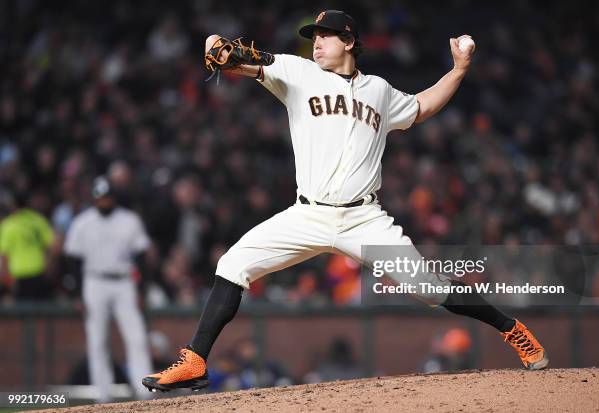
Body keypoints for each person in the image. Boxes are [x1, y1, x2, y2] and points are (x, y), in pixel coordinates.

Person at [143, 10, 548, 392]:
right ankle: (195, 361)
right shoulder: (298, 72)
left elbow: (422, 106)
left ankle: (511, 328)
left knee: (430, 288)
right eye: (314, 37)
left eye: (324, 36)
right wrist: (220, 46)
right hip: (308, 214)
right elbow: (236, 57)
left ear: (349, 41)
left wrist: (459, 70)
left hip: (365, 219)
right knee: (232, 265)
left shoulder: (379, 90)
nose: (316, 44)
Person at [64, 176, 153, 403]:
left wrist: (141, 289)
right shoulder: (83, 222)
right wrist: (76, 293)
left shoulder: (129, 220)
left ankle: (143, 390)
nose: (104, 201)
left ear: (113, 197)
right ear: (94, 198)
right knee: (97, 339)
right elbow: (73, 260)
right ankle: (102, 395)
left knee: (136, 337)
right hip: (94, 282)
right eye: (100, 197)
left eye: (107, 197)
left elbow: (142, 256)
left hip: (124, 282)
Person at [0, 192, 56, 301]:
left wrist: (4, 277)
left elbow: (4, 255)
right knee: (40, 311)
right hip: (39, 272)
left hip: (18, 274)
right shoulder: (39, 221)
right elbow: (52, 247)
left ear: (13, 205)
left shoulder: (8, 225)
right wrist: (49, 269)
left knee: (21, 313)